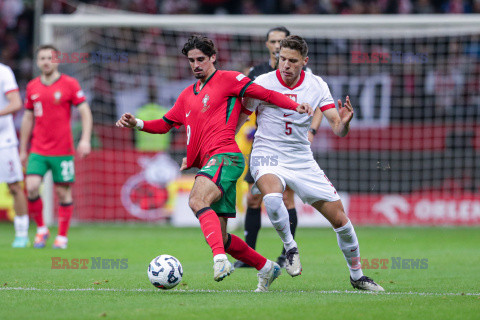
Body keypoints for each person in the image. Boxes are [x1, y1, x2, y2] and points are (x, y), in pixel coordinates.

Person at [116, 34, 313, 291]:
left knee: (196, 200)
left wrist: (293, 106)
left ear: (212, 58)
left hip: (226, 157)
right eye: (191, 60)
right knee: (221, 237)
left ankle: (219, 260)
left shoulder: (229, 79)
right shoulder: (187, 95)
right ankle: (266, 267)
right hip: (211, 162)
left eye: (201, 59)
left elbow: (264, 93)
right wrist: (138, 124)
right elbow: (164, 124)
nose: (196, 64)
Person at [242, 35, 384, 291]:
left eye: (292, 61)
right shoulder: (262, 82)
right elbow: (241, 117)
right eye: (282, 59)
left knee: (341, 220)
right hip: (267, 152)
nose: (285, 65)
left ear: (304, 62)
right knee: (272, 197)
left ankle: (357, 276)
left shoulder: (317, 85)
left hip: (300, 157)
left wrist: (345, 121)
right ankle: (290, 248)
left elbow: (338, 128)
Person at [235, 26, 307, 269]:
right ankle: (248, 255)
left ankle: (287, 253)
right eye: (273, 41)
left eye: (281, 41)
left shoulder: (301, 73)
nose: (277, 45)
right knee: (253, 198)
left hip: (290, 147)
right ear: (267, 44)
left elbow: (314, 106)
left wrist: (312, 131)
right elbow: (244, 103)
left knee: (286, 198)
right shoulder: (256, 72)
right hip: (263, 147)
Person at [20, 44, 93, 249]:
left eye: (49, 58)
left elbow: (85, 112)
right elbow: (27, 118)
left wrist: (85, 139)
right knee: (32, 186)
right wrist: (22, 149)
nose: (45, 62)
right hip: (38, 149)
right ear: (37, 62)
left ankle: (62, 237)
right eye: (41, 58)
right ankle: (42, 230)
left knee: (63, 193)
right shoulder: (32, 86)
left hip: (62, 151)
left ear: (57, 60)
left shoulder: (70, 84)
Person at [0, 62, 30, 248]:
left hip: (4, 141)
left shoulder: (3, 72)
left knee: (14, 186)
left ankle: (21, 234)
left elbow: (16, 103)